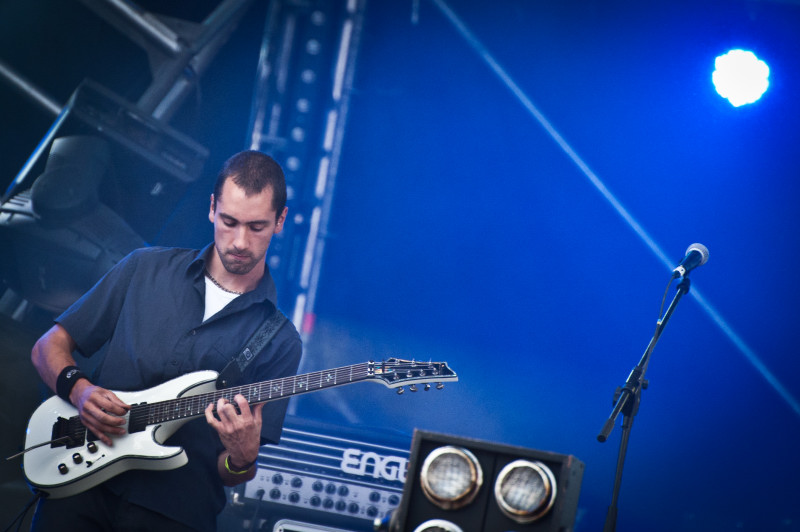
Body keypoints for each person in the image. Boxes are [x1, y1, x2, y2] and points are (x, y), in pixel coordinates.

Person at [29, 151, 303, 531]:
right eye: (229, 222)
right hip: (80, 486)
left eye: (257, 227)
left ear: (280, 221)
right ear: (212, 209)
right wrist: (80, 391)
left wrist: (241, 459)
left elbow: (229, 472)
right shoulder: (144, 268)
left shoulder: (279, 341)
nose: (240, 241)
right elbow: (47, 347)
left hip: (173, 514)